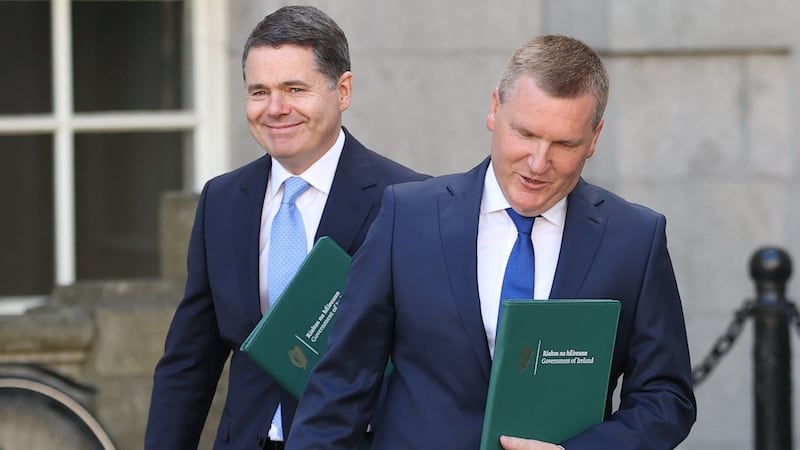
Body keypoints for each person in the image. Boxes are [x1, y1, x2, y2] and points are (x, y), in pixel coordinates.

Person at [287, 35, 697, 450]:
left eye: (564, 144)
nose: (538, 163)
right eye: (525, 134)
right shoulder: (407, 217)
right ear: (495, 108)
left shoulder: (634, 239)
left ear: (594, 138)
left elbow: (666, 398)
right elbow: (343, 380)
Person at [144, 6, 427, 450]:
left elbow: (433, 363)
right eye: (259, 92)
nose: (276, 109)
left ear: (344, 89)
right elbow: (190, 360)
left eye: (295, 88)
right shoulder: (221, 201)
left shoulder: (409, 202)